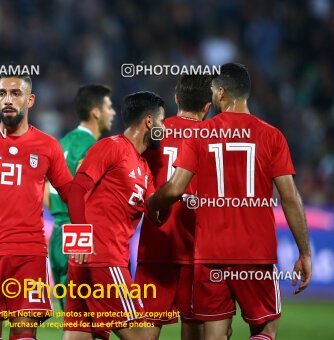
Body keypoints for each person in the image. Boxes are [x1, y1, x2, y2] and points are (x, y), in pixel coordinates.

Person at [147, 63, 312, 340]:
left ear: (221, 92)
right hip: (256, 253)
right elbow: (290, 198)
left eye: (212, 91)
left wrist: (152, 205)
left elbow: (175, 189)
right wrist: (305, 252)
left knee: (214, 336)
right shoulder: (271, 136)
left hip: (210, 255)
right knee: (266, 331)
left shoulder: (199, 135)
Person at [0, 74, 73, 340]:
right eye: (2, 93)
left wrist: (83, 235)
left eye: (16, 94)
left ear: (30, 100)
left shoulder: (48, 146)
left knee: (25, 333)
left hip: (29, 254)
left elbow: (71, 194)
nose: (8, 99)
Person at [64, 91, 164, 340]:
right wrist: (80, 236)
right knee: (144, 336)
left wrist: (181, 189)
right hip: (104, 260)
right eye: (162, 121)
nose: (164, 128)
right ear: (149, 122)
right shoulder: (111, 147)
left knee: (79, 336)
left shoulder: (143, 168)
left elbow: (156, 213)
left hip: (94, 262)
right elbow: (77, 189)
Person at [136, 75, 211, 340]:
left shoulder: (152, 133)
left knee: (145, 330)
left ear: (176, 98)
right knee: (196, 328)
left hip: (156, 244)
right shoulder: (213, 138)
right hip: (197, 249)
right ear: (207, 106)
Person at [47, 84, 115, 311]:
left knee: (74, 321)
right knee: (87, 321)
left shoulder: (60, 144)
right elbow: (81, 194)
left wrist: (61, 214)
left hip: (57, 234)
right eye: (108, 106)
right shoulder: (93, 148)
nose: (112, 112)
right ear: (96, 111)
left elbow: (44, 193)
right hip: (78, 236)